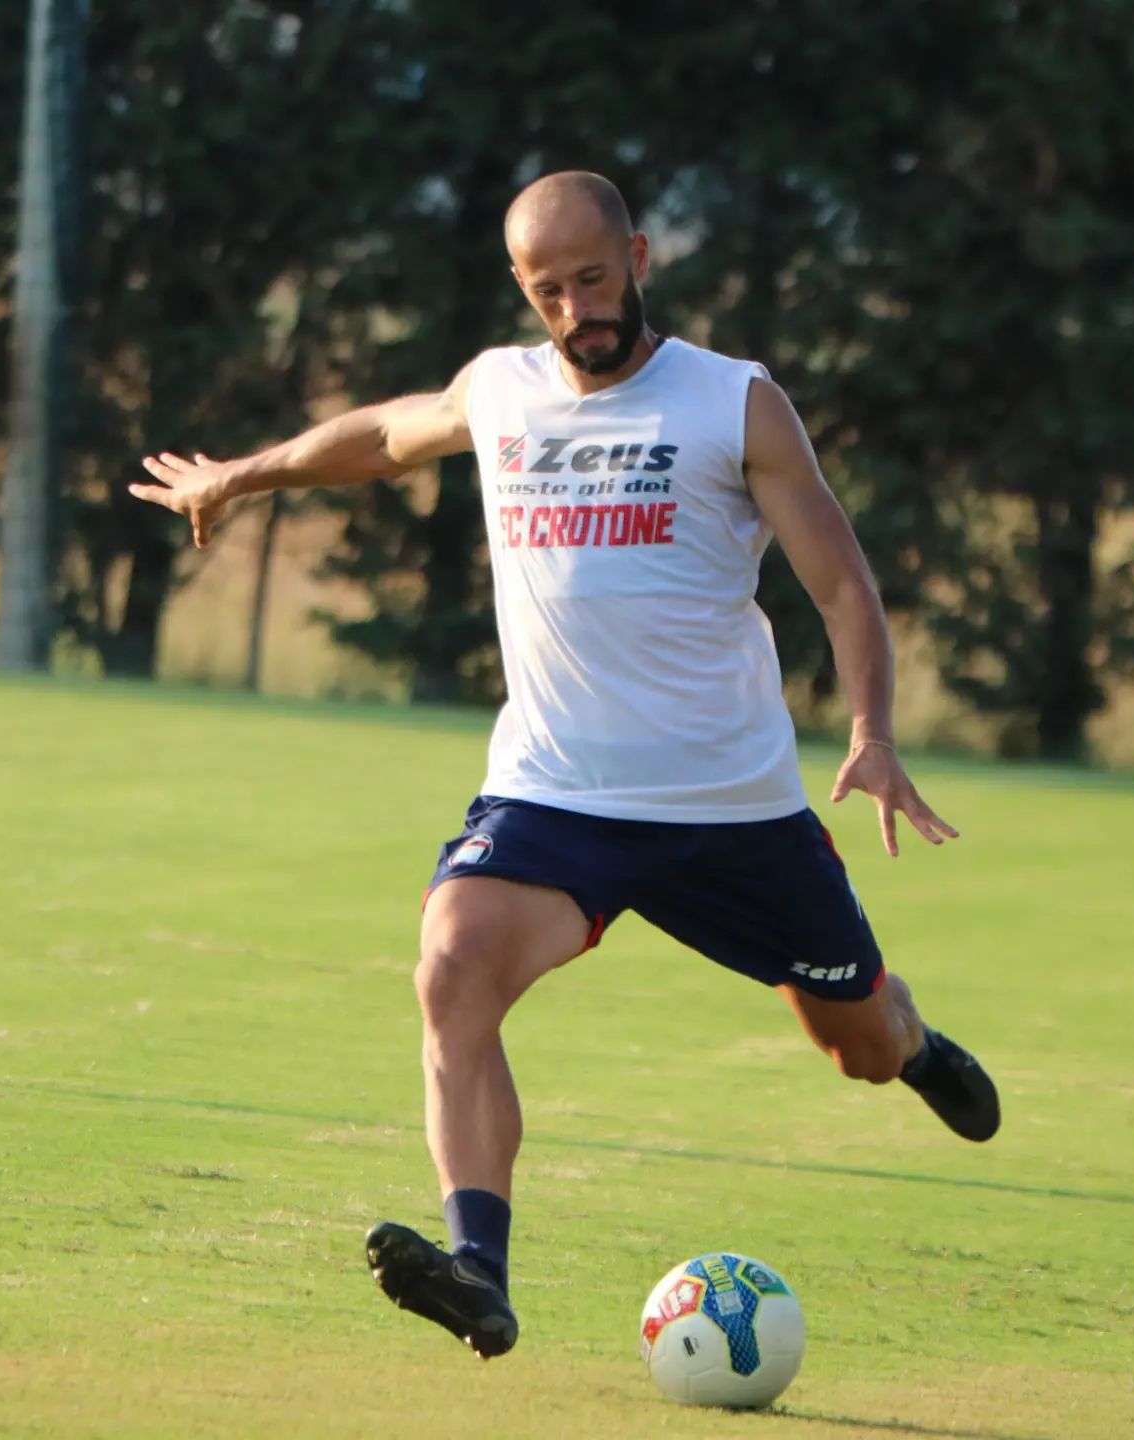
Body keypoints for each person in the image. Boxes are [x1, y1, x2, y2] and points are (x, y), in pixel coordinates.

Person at [130, 170, 1000, 1363]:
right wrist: (243, 474)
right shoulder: (502, 389)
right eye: (549, 291)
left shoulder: (734, 402)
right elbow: (384, 435)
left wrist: (873, 734)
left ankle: (915, 1040)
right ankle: (478, 1271)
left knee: (859, 1048)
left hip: (732, 812)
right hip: (556, 795)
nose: (577, 309)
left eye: (594, 279)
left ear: (638, 257)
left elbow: (842, 584)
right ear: (522, 288)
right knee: (451, 969)